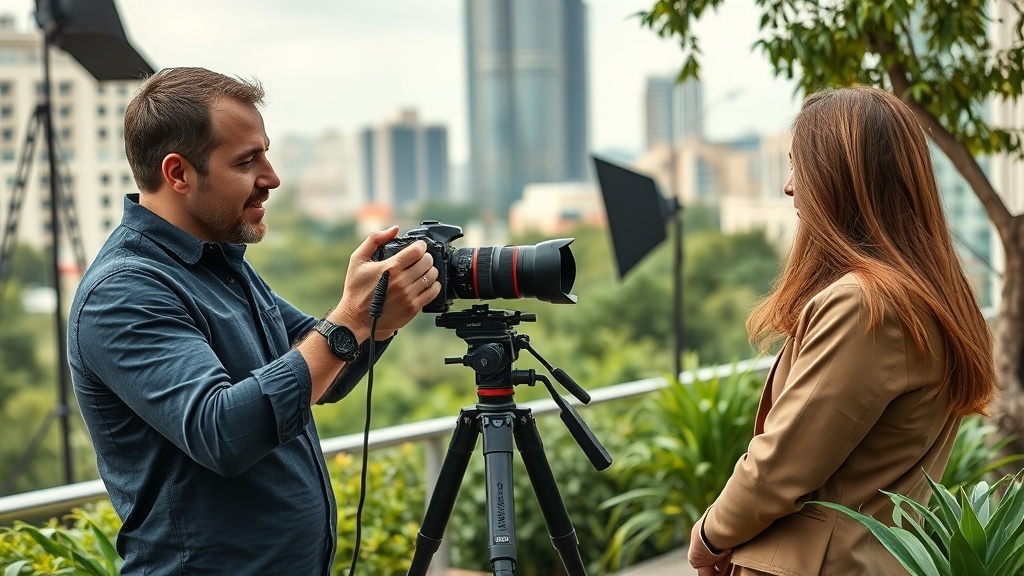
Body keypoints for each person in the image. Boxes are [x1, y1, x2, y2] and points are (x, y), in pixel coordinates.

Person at [67, 67, 441, 575]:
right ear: (178, 174)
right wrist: (351, 320)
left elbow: (324, 370)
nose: (271, 177)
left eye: (265, 153)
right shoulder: (124, 292)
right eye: (247, 161)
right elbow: (221, 431)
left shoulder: (221, 262)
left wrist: (380, 316)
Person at [687, 86, 996, 575]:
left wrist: (709, 533)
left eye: (800, 166)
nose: (789, 186)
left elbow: (779, 468)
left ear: (842, 177)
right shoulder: (936, 299)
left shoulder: (865, 304)